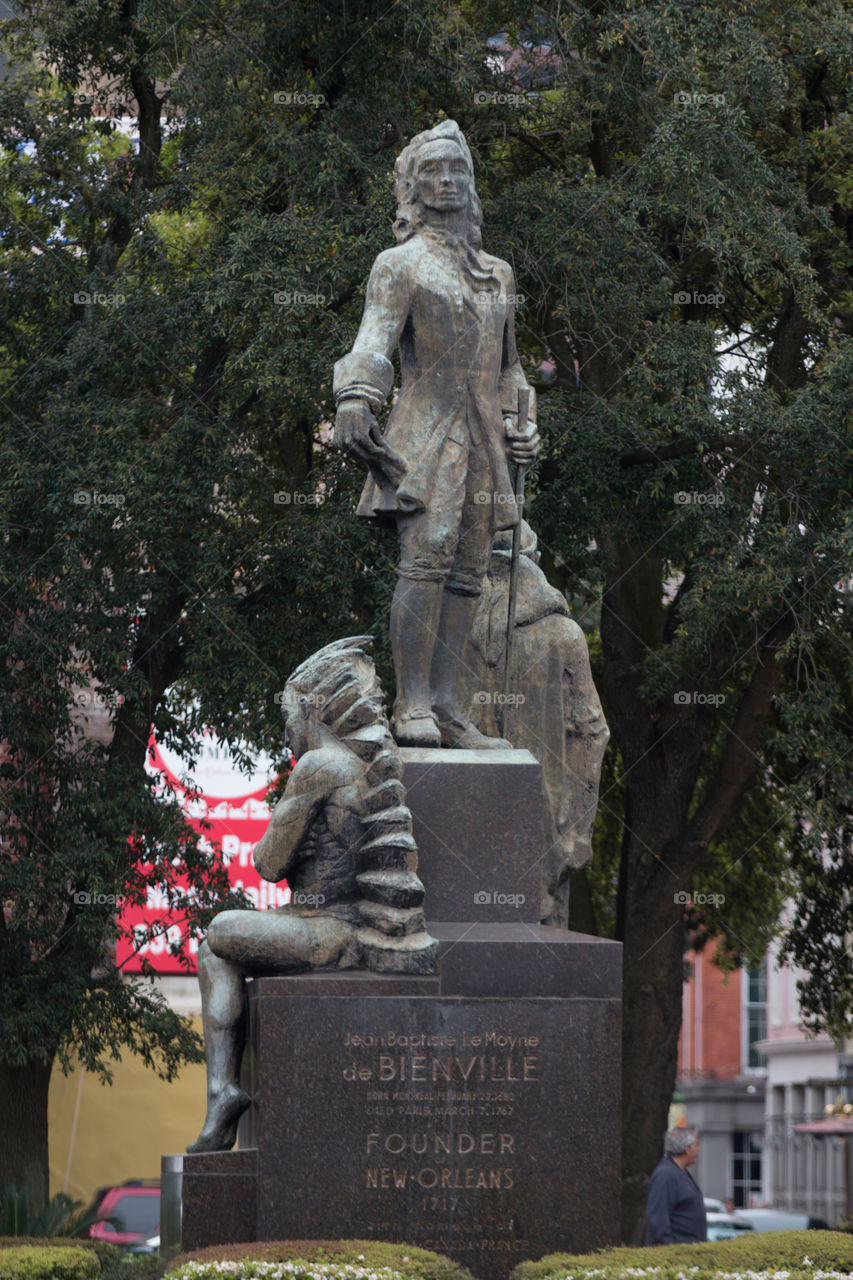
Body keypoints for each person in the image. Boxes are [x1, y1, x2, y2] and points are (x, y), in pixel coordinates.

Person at [333, 119, 540, 749]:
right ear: (413, 188)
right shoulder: (399, 264)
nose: (447, 181)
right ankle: (412, 704)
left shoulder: (498, 273)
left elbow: (510, 369)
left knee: (469, 571)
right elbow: (373, 340)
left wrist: (524, 424)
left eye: (457, 170)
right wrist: (354, 396)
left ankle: (450, 708)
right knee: (426, 558)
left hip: (486, 443)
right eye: (432, 172)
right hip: (426, 436)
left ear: (470, 183)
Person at [466, 521, 609, 926]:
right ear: (535, 563)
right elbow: (591, 732)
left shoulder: (452, 634)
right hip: (542, 830)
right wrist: (578, 830)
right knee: (543, 939)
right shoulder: (564, 636)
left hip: (461, 821)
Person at [645, 1127, 707, 1244]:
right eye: (696, 1145)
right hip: (675, 1256)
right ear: (687, 1148)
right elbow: (657, 1219)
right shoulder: (666, 1175)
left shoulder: (677, 1172)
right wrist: (671, 1248)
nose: (698, 1149)